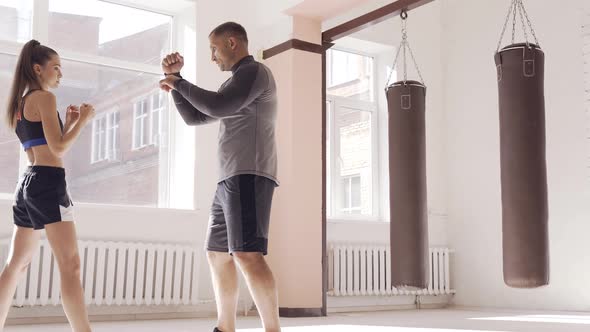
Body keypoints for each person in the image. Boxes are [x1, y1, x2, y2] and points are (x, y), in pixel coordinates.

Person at [159, 22, 281, 332]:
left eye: (213, 49)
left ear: (231, 43)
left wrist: (177, 81)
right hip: (229, 178)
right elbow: (196, 116)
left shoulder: (254, 73)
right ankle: (225, 327)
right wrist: (176, 84)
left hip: (249, 173)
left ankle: (273, 329)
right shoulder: (234, 84)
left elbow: (218, 105)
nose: (213, 57)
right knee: (217, 254)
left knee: (247, 254)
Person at [0, 39, 95, 332]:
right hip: (47, 183)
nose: (60, 74)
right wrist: (83, 121)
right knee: (71, 265)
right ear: (37, 69)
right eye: (56, 68)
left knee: (16, 265)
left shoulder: (19, 103)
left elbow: (43, 146)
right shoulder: (44, 98)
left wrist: (67, 122)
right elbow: (59, 149)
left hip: (27, 184)